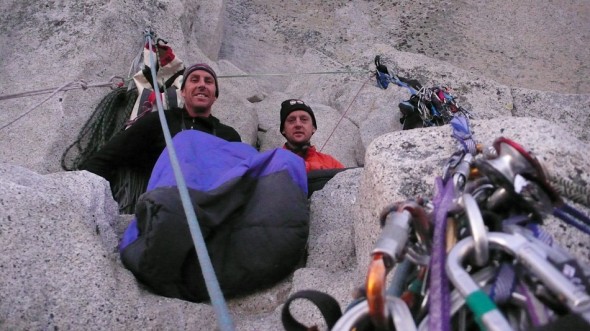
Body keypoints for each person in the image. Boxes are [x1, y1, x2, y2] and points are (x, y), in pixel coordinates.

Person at [81, 63, 241, 211]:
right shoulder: (160, 122)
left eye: (208, 81)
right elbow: (108, 156)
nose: (202, 85)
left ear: (215, 96)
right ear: (183, 93)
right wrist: (83, 195)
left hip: (213, 212)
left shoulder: (229, 136)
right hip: (164, 210)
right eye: (194, 80)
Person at [280, 99, 344, 172]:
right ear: (283, 129)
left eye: (304, 119)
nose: (298, 124)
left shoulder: (331, 163)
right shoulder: (272, 162)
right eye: (291, 120)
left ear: (313, 128)